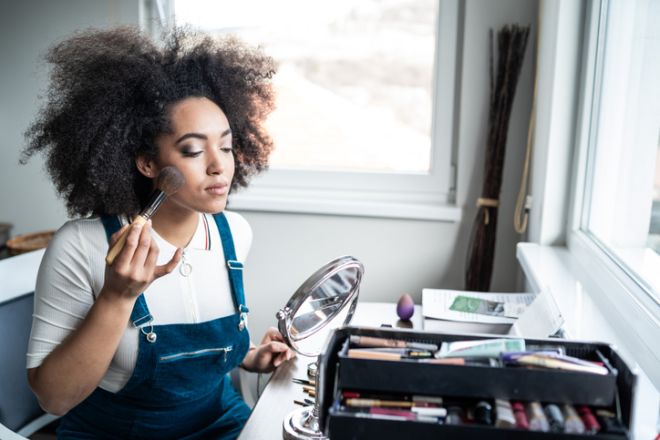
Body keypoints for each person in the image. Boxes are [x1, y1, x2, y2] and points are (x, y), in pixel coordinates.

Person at [21, 26, 294, 439]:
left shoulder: (234, 234)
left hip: (220, 423)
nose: (219, 166)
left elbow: (191, 345)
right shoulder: (82, 245)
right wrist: (117, 296)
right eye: (193, 150)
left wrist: (250, 356)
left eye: (225, 145)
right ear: (148, 163)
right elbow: (54, 399)